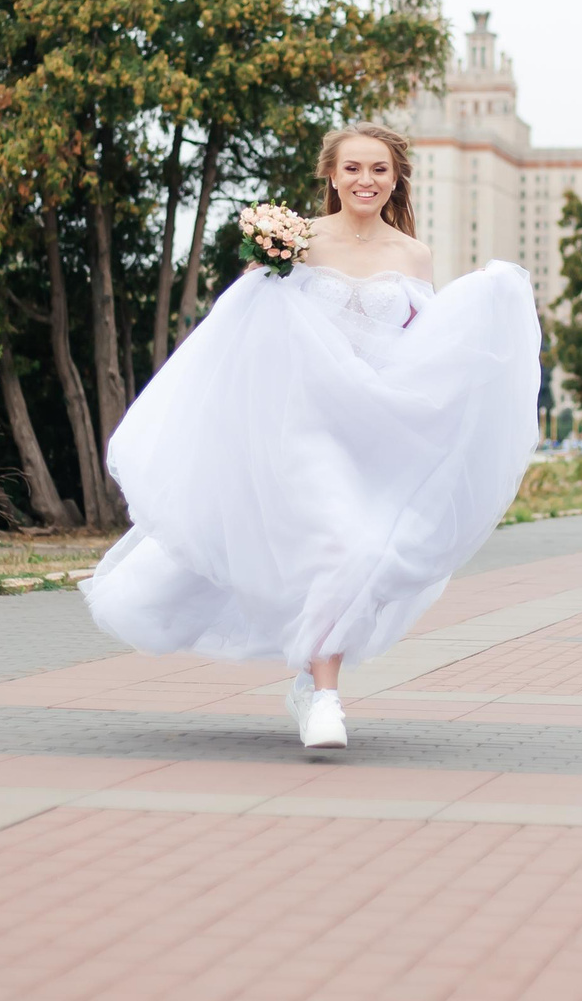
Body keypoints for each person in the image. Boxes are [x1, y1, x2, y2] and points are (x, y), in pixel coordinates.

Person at [84, 123, 540, 750]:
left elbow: (427, 345)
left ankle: (309, 680)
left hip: (373, 429)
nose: (366, 181)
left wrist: (491, 306)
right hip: (304, 425)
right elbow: (250, 327)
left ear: (396, 178)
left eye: (379, 170)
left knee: (357, 550)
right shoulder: (296, 243)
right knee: (335, 543)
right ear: (330, 174)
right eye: (353, 168)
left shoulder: (413, 255)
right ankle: (325, 696)